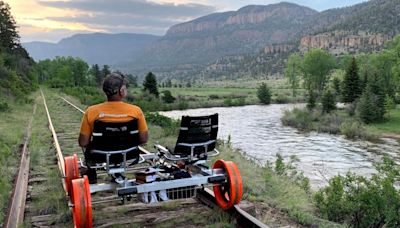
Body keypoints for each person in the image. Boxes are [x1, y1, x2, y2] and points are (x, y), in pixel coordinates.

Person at [78, 72, 148, 182]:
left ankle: (91, 173)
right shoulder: (136, 111)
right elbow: (144, 139)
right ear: (122, 91)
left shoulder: (91, 111)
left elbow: (83, 142)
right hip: (129, 153)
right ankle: (118, 168)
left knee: (88, 146)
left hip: (99, 155)